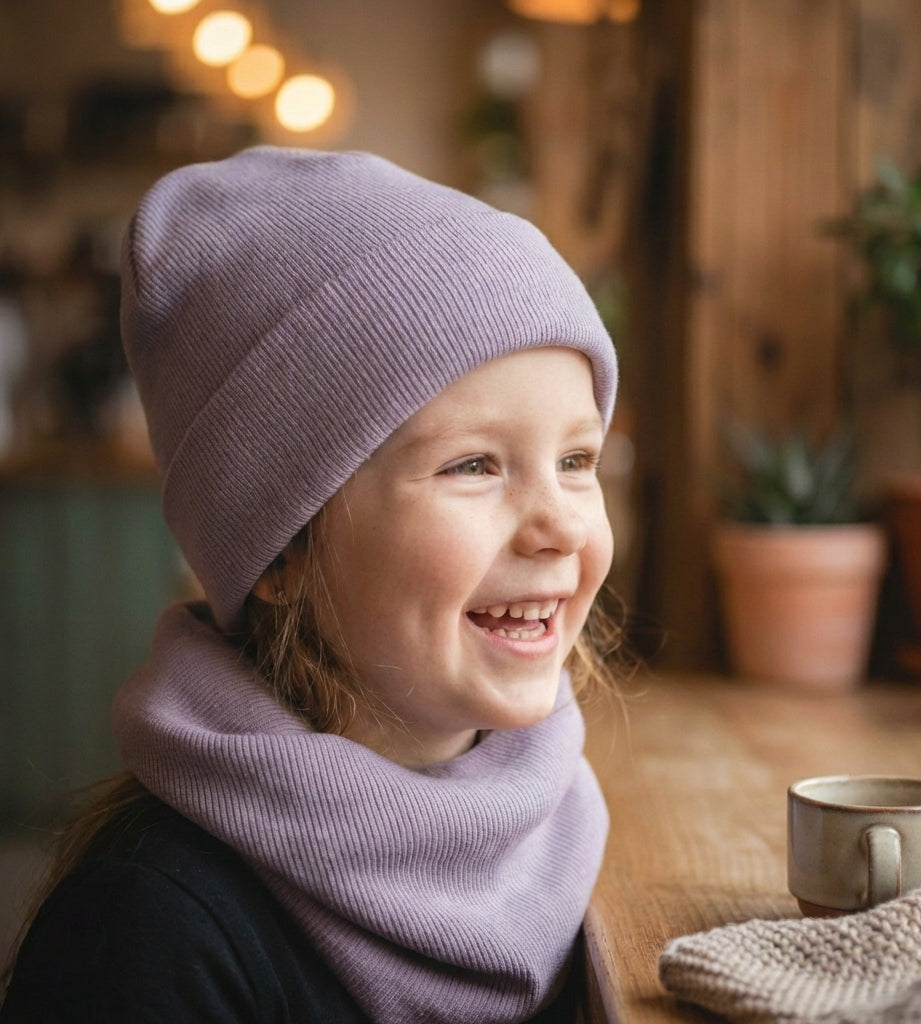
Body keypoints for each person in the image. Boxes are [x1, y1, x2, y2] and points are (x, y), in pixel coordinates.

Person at [0, 145, 622, 1023]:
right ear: (282, 550)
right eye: (474, 465)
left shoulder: (563, 833)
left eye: (576, 459)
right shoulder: (145, 935)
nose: (559, 524)